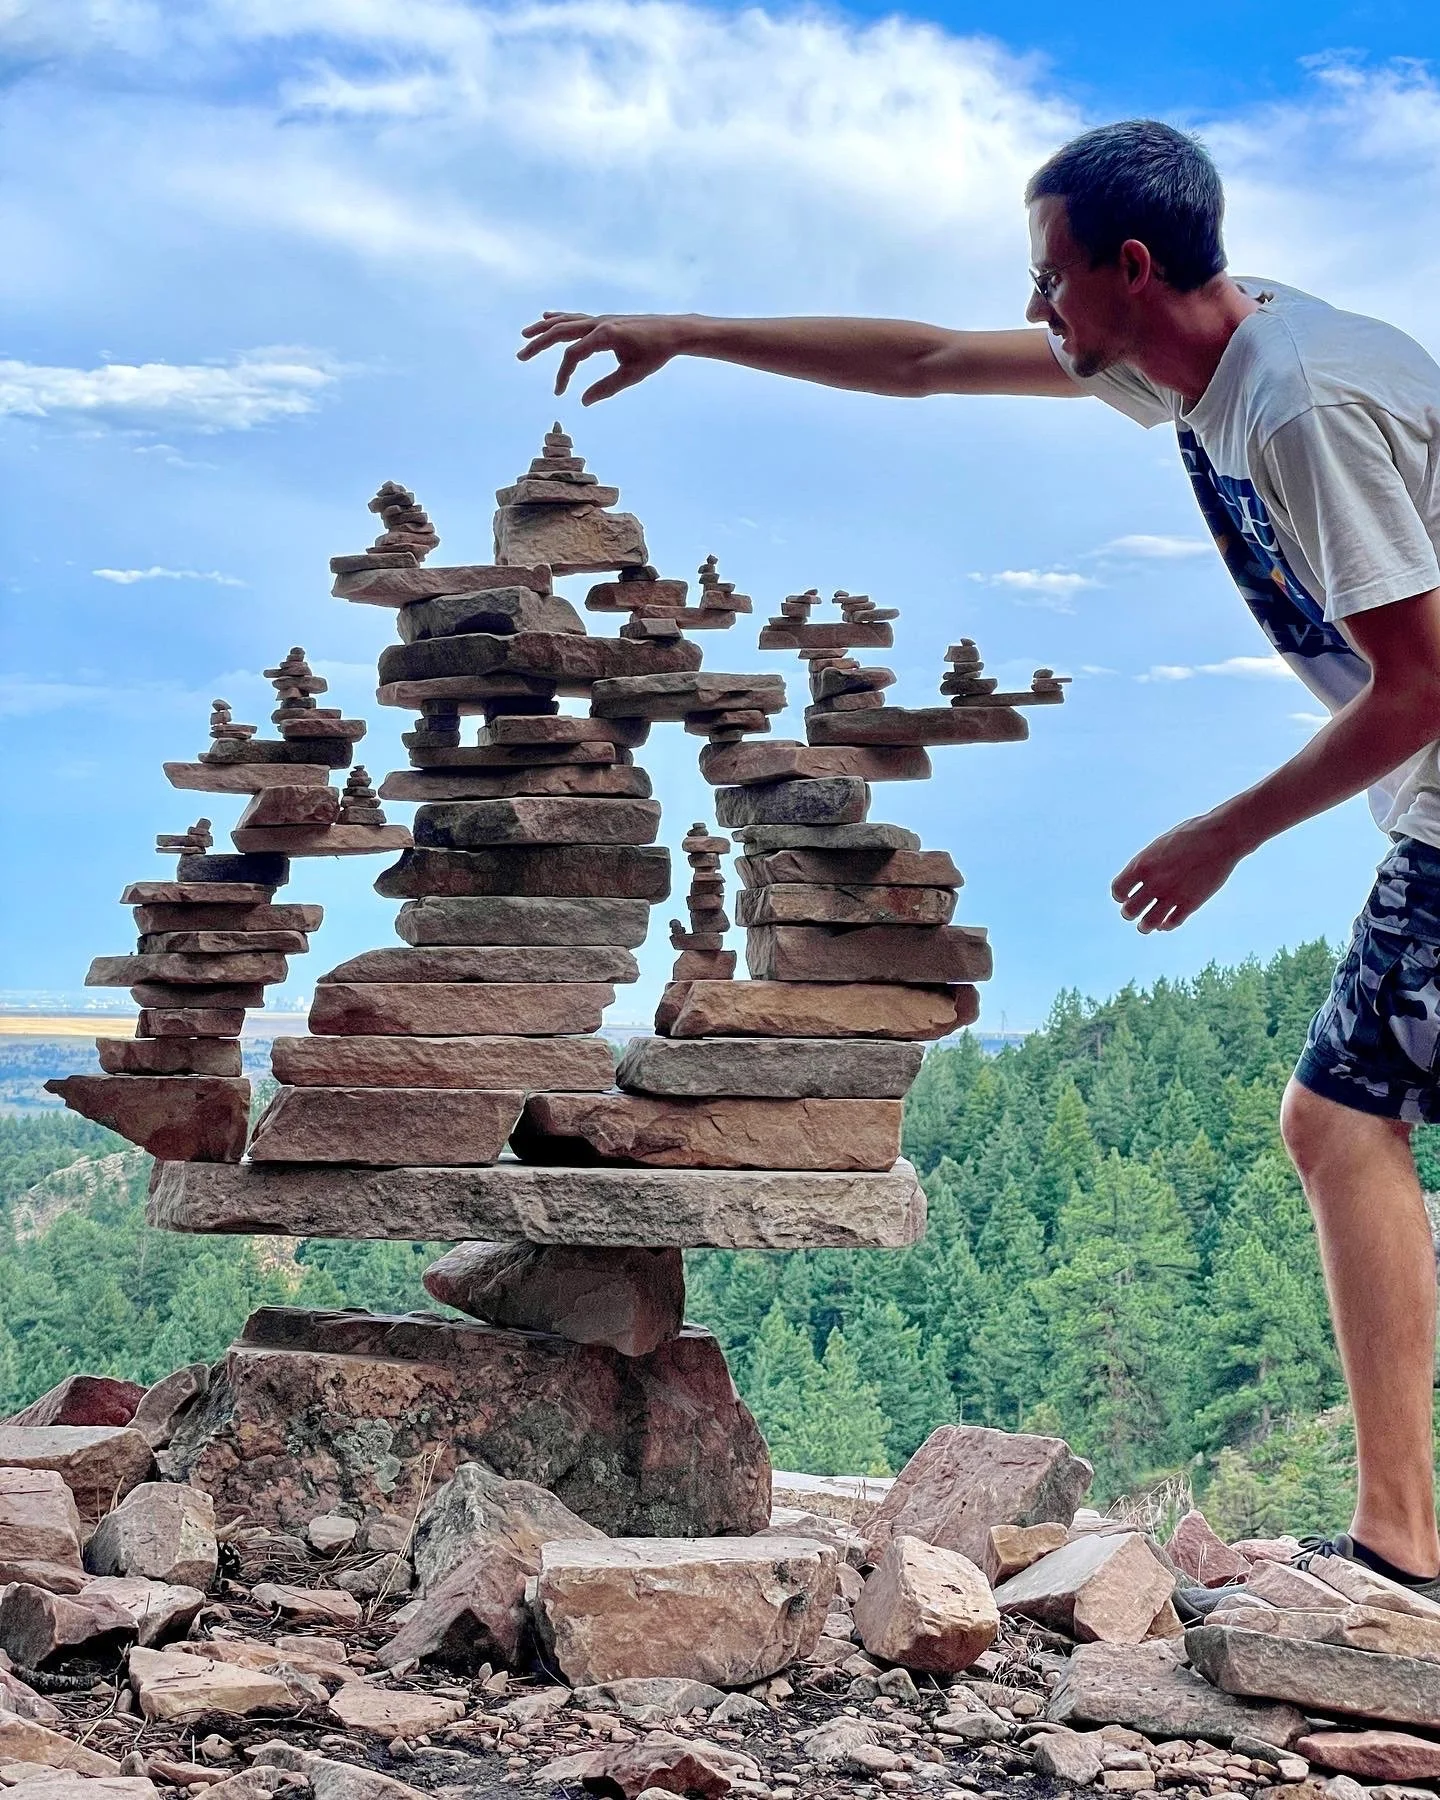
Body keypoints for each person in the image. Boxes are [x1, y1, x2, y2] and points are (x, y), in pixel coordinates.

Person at [518, 118, 1440, 1595]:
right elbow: (929, 361)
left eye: (1049, 276)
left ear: (1131, 267)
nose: (1033, 305)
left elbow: (1421, 685)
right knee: (1350, 1120)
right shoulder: (1195, 355)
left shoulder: (1297, 403)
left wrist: (1221, 836)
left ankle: (1401, 1544)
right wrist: (684, 331)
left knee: (1340, 1122)